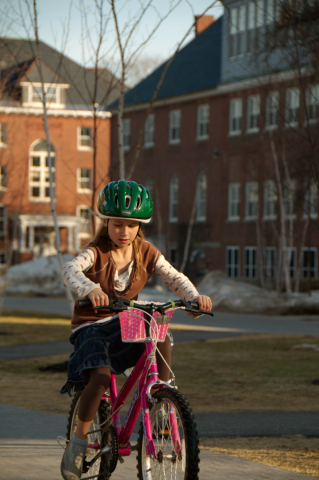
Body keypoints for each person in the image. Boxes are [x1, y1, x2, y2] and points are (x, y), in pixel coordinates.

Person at [60, 180, 212, 480]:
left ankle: (162, 403)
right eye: (117, 224)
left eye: (131, 225)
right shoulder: (97, 250)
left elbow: (174, 277)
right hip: (92, 327)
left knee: (159, 331)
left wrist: (194, 299)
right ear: (106, 223)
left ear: (139, 226)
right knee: (101, 378)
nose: (124, 231)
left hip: (124, 320)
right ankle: (78, 441)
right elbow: (69, 269)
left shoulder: (146, 251)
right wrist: (90, 289)